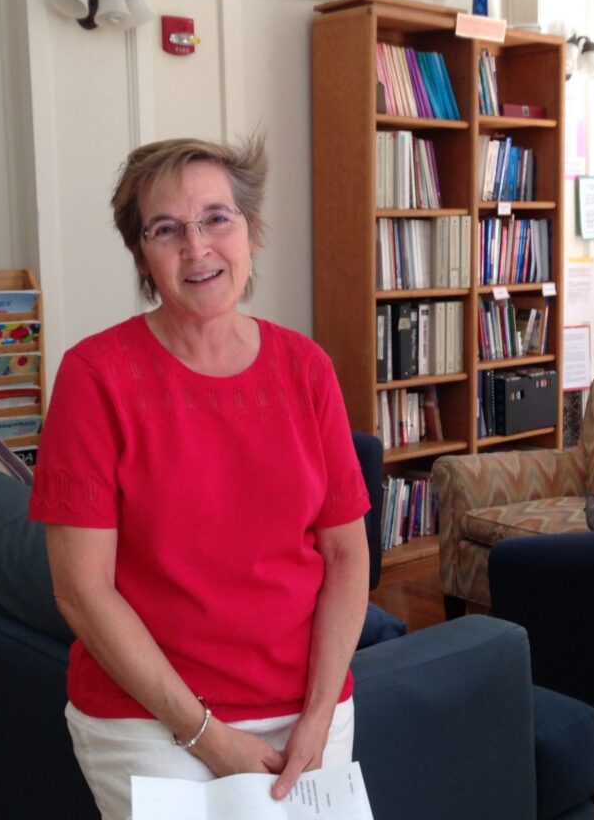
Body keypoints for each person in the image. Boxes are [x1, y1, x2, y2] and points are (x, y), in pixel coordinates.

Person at [29, 136, 370, 820]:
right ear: (143, 259)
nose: (198, 247)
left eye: (217, 218)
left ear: (251, 231)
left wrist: (318, 715)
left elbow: (346, 553)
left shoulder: (308, 369)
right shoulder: (94, 378)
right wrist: (208, 737)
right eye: (167, 230)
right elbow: (82, 591)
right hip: (152, 721)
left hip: (309, 713)